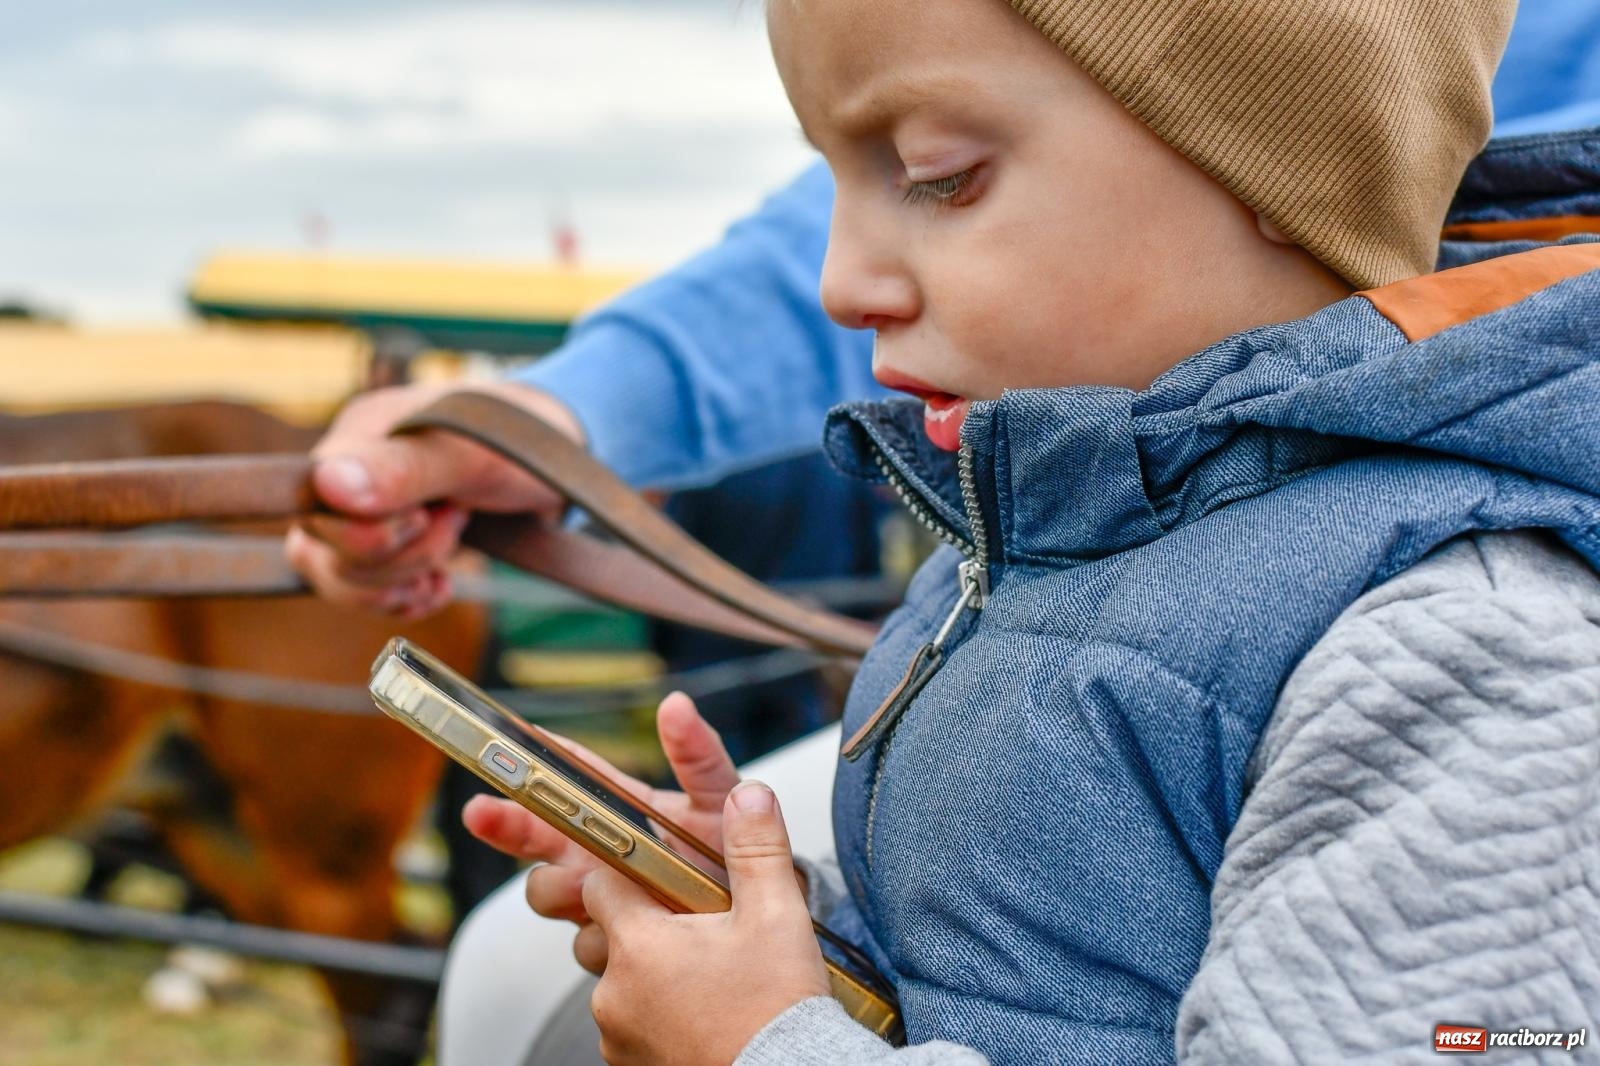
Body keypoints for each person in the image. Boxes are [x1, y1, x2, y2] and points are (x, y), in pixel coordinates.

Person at [442, 0, 1600, 1063]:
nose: (842, 283)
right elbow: (1027, 992)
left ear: (1282, 167)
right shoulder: (1012, 550)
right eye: (835, 179)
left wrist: (767, 1045)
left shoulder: (1464, 658)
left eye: (937, 177)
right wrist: (799, 950)